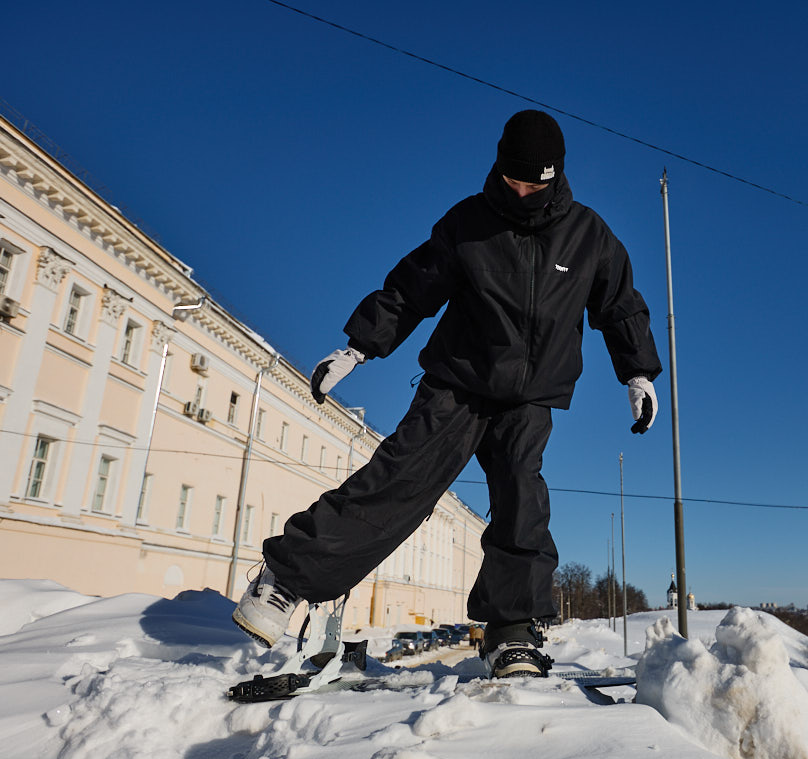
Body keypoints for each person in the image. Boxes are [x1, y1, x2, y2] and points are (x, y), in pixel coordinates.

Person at [232, 109, 662, 679]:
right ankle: (284, 579)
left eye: (535, 183)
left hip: (532, 396)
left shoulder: (590, 236)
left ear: (556, 176)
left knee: (521, 498)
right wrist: (357, 347)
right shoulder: (469, 222)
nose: (522, 191)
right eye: (513, 180)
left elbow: (620, 307)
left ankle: (511, 633)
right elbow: (411, 290)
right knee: (400, 479)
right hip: (458, 382)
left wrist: (638, 374)